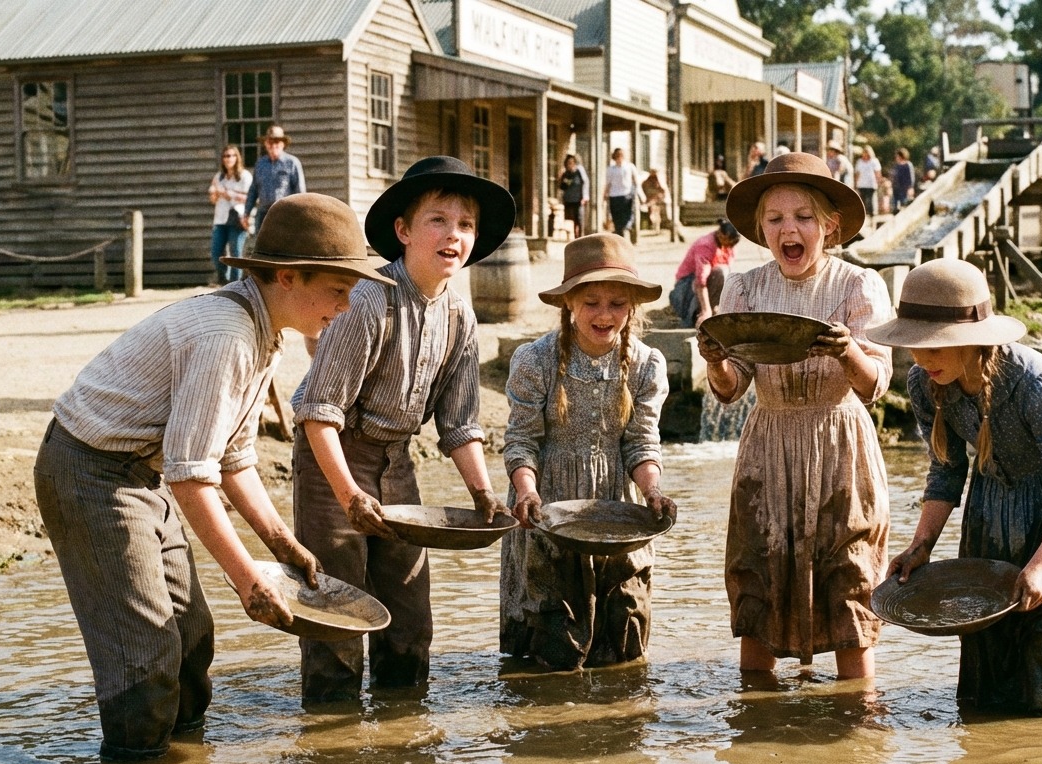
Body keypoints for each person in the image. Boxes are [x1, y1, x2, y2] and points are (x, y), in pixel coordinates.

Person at [33, 193, 394, 761]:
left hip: (145, 471)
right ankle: (136, 753)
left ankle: (182, 751)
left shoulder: (264, 334)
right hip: (89, 470)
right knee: (145, 653)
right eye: (338, 290)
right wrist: (250, 580)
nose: (346, 307)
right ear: (287, 276)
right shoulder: (225, 335)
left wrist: (279, 541)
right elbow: (192, 476)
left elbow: (233, 457)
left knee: (192, 637)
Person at [292, 156, 515, 701]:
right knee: (336, 610)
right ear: (403, 231)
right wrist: (349, 496)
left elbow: (459, 424)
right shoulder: (368, 299)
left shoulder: (461, 315)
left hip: (396, 458)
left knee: (409, 618)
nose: (453, 235)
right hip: (333, 458)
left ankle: (403, 738)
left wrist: (484, 494)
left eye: (465, 225)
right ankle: (330, 732)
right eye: (438, 220)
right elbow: (319, 412)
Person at [873, 258, 1042, 716]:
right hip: (996, 494)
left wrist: (1040, 565)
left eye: (935, 346)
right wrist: (920, 545)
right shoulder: (923, 382)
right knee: (990, 644)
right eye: (914, 345)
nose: (922, 358)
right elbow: (946, 471)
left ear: (973, 342)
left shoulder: (1035, 383)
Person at [697, 152, 893, 679]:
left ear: (829, 226)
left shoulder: (859, 285)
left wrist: (847, 349)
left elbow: (875, 384)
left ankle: (859, 729)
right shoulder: (743, 288)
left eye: (803, 217)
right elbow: (731, 388)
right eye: (777, 218)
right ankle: (756, 725)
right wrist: (716, 359)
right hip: (768, 446)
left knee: (850, 582)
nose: (790, 229)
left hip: (841, 446)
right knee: (758, 578)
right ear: (761, 230)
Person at [500, 232, 676, 671]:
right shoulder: (534, 360)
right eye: (591, 302)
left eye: (617, 303)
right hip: (548, 507)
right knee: (553, 643)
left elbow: (640, 443)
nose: (605, 314)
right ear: (569, 303)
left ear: (632, 307)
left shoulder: (646, 364)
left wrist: (653, 491)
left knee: (624, 642)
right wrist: (526, 492)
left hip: (617, 508)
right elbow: (521, 441)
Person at [669, 218, 740, 328]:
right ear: (721, 235)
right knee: (721, 272)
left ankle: (714, 309)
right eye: (729, 242)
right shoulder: (705, 245)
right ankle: (700, 313)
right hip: (687, 287)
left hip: (707, 285)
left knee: (727, 274)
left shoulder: (729, 245)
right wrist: (706, 310)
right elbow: (700, 282)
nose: (730, 246)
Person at [242, 124, 306, 230]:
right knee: (261, 245)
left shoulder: (292, 163)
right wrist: (246, 213)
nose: (273, 145)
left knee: (285, 245)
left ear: (283, 144)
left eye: (276, 142)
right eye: (270, 142)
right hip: (263, 213)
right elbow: (253, 190)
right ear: (266, 144)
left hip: (285, 213)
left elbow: (300, 192)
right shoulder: (260, 164)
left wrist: (300, 214)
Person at [208, 144, 252, 285]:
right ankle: (225, 280)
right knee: (216, 253)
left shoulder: (244, 176)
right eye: (226, 156)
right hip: (221, 218)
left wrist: (228, 194)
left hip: (237, 217)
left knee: (236, 253)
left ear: (237, 157)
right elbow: (213, 199)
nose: (229, 159)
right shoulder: (219, 177)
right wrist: (214, 193)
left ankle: (237, 284)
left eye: (232, 155)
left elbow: (249, 197)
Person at [603, 148, 643, 239]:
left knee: (627, 216)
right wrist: (605, 194)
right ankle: (620, 235)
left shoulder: (629, 167)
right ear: (614, 157)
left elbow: (636, 181)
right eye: (617, 156)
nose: (619, 158)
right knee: (616, 218)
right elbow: (608, 183)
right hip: (614, 196)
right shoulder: (611, 169)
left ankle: (627, 231)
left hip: (626, 195)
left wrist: (640, 194)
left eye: (621, 156)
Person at [557, 154, 589, 237]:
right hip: (568, 200)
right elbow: (562, 187)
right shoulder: (566, 174)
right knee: (570, 220)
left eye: (572, 162)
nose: (570, 165)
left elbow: (585, 183)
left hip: (578, 199)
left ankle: (580, 237)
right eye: (568, 163)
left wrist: (584, 196)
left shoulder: (579, 171)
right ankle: (573, 237)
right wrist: (561, 179)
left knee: (579, 219)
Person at [853, 145, 882, 218]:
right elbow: (857, 173)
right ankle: (864, 215)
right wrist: (856, 183)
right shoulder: (859, 161)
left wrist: (878, 181)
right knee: (863, 200)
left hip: (871, 183)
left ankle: (872, 214)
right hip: (862, 184)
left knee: (870, 200)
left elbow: (877, 172)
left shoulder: (874, 161)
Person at [890, 148, 915, 213]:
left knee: (905, 204)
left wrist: (910, 187)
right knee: (896, 206)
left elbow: (911, 177)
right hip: (897, 188)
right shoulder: (896, 166)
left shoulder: (908, 165)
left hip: (905, 188)